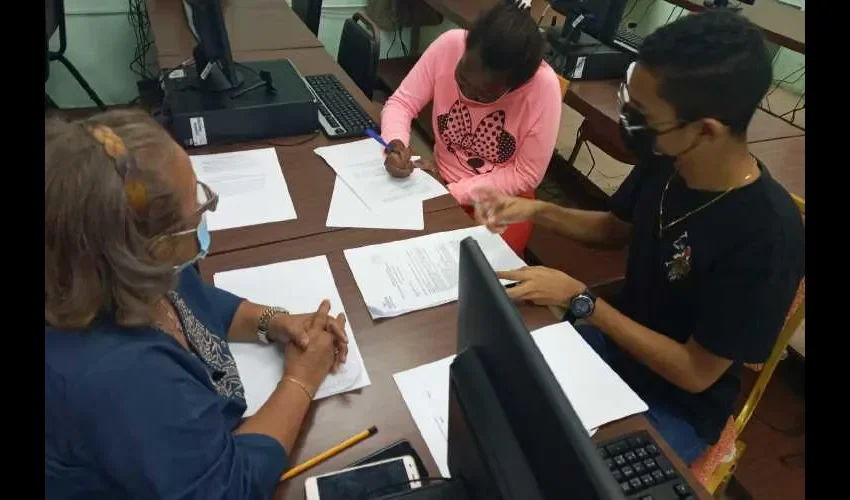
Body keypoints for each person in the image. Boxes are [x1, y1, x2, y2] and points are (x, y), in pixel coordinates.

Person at [476, 11, 804, 465]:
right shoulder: (668, 154)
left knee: (555, 468)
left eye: (644, 116)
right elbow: (615, 229)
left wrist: (583, 301)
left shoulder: (767, 234)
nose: (628, 122)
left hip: (677, 406)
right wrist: (539, 210)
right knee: (491, 392)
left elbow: (695, 373)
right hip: (615, 351)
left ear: (705, 129)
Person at [45, 110, 350, 499]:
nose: (206, 214)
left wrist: (272, 321)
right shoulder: (126, 376)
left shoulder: (116, 262)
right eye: (198, 207)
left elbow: (193, 300)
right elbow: (228, 487)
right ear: (150, 247)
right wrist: (301, 379)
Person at [380, 0, 562, 255]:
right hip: (440, 182)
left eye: (484, 95)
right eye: (462, 79)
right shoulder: (449, 44)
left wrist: (451, 193)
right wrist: (395, 143)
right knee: (392, 245)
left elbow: (526, 174)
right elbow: (402, 103)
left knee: (474, 272)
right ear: (466, 45)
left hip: (504, 202)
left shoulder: (543, 87)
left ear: (515, 85)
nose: (467, 93)